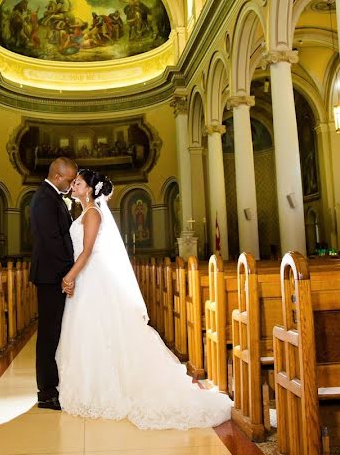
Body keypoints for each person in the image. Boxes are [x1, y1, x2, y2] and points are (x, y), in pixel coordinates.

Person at [55, 168, 231, 429]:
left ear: (89, 189)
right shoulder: (84, 212)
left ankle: (105, 389)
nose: (73, 186)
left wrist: (69, 277)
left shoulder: (92, 213)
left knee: (101, 331)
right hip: (87, 278)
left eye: (78, 183)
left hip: (93, 277)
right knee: (89, 333)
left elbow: (88, 251)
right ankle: (90, 386)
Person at [29, 156, 78, 411]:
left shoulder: (52, 197)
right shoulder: (45, 199)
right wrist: (67, 274)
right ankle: (46, 392)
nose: (71, 185)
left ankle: (53, 386)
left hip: (54, 273)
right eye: (69, 180)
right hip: (50, 276)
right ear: (57, 176)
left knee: (56, 331)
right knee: (48, 334)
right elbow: (52, 241)